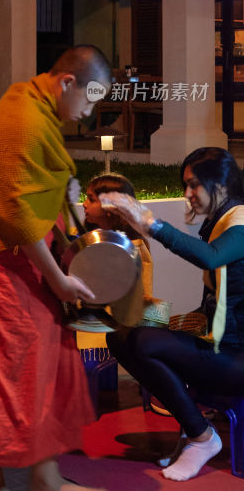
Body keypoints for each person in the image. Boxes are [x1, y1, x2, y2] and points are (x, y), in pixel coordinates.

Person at [0, 45, 112, 491]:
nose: (87, 114)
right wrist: (57, 278)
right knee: (5, 371)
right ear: (66, 82)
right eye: (88, 101)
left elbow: (31, 189)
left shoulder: (28, 103)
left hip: (18, 263)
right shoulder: (27, 117)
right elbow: (16, 212)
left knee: (28, 367)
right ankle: (18, 477)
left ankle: (26, 473)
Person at [101, 147, 244, 482]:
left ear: (220, 184)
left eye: (194, 185)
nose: (188, 195)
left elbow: (210, 258)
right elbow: (216, 300)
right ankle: (197, 430)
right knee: (121, 337)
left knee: (144, 342)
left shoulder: (240, 222)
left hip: (237, 358)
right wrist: (172, 321)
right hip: (221, 347)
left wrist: (150, 222)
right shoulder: (219, 222)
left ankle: (201, 437)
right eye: (186, 186)